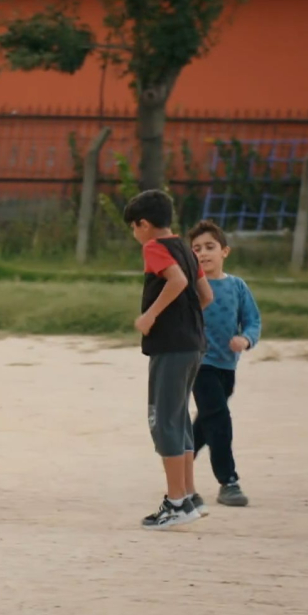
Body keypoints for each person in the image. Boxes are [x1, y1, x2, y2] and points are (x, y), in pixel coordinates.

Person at [124, 190, 214, 530]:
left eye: (134, 228)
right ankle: (189, 495)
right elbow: (205, 296)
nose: (135, 236)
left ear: (143, 224)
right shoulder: (188, 252)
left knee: (164, 421)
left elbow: (176, 281)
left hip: (172, 348)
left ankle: (176, 502)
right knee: (179, 419)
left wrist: (152, 315)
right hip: (194, 344)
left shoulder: (155, 247)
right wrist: (184, 320)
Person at [188, 220, 261, 508]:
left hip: (227, 366)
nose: (203, 254)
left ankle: (178, 461)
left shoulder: (237, 286)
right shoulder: (190, 288)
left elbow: (253, 321)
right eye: (196, 249)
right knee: (219, 419)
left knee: (206, 422)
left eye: (209, 247)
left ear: (224, 252)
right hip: (197, 364)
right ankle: (228, 482)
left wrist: (246, 339)